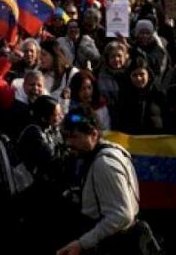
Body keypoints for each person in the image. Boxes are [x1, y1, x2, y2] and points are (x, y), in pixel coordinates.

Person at [57, 107, 151, 255]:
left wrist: (82, 243)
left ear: (94, 134)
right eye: (67, 137)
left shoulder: (104, 163)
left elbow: (121, 215)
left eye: (75, 137)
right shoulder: (96, 155)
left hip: (112, 244)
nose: (69, 143)